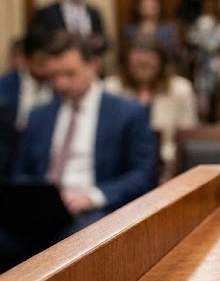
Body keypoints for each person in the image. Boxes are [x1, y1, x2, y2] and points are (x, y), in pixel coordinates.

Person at [3, 33, 156, 268]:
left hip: (96, 209)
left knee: (74, 242)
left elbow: (143, 174)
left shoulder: (127, 113)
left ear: (93, 66)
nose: (61, 84)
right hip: (43, 210)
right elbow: (20, 171)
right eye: (54, 76)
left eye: (69, 74)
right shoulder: (39, 116)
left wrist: (92, 196)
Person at [105, 35, 198, 175]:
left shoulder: (181, 89)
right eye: (138, 64)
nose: (143, 67)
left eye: (148, 64)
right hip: (121, 168)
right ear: (127, 63)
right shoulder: (111, 89)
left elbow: (187, 139)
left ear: (161, 62)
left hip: (170, 168)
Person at [31, 0, 108, 55]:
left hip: (89, 63)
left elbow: (103, 41)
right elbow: (37, 42)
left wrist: (98, 42)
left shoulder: (94, 13)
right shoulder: (46, 13)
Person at [0, 27, 54, 132]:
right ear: (26, 59)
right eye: (41, 61)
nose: (47, 67)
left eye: (50, 60)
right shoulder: (4, 87)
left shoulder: (60, 85)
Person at [121, 0, 181, 69]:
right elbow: (126, 55)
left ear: (159, 5)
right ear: (138, 6)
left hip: (165, 68)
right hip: (136, 70)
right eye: (145, 2)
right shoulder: (129, 30)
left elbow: (173, 54)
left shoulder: (169, 29)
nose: (148, 5)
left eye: (152, 2)